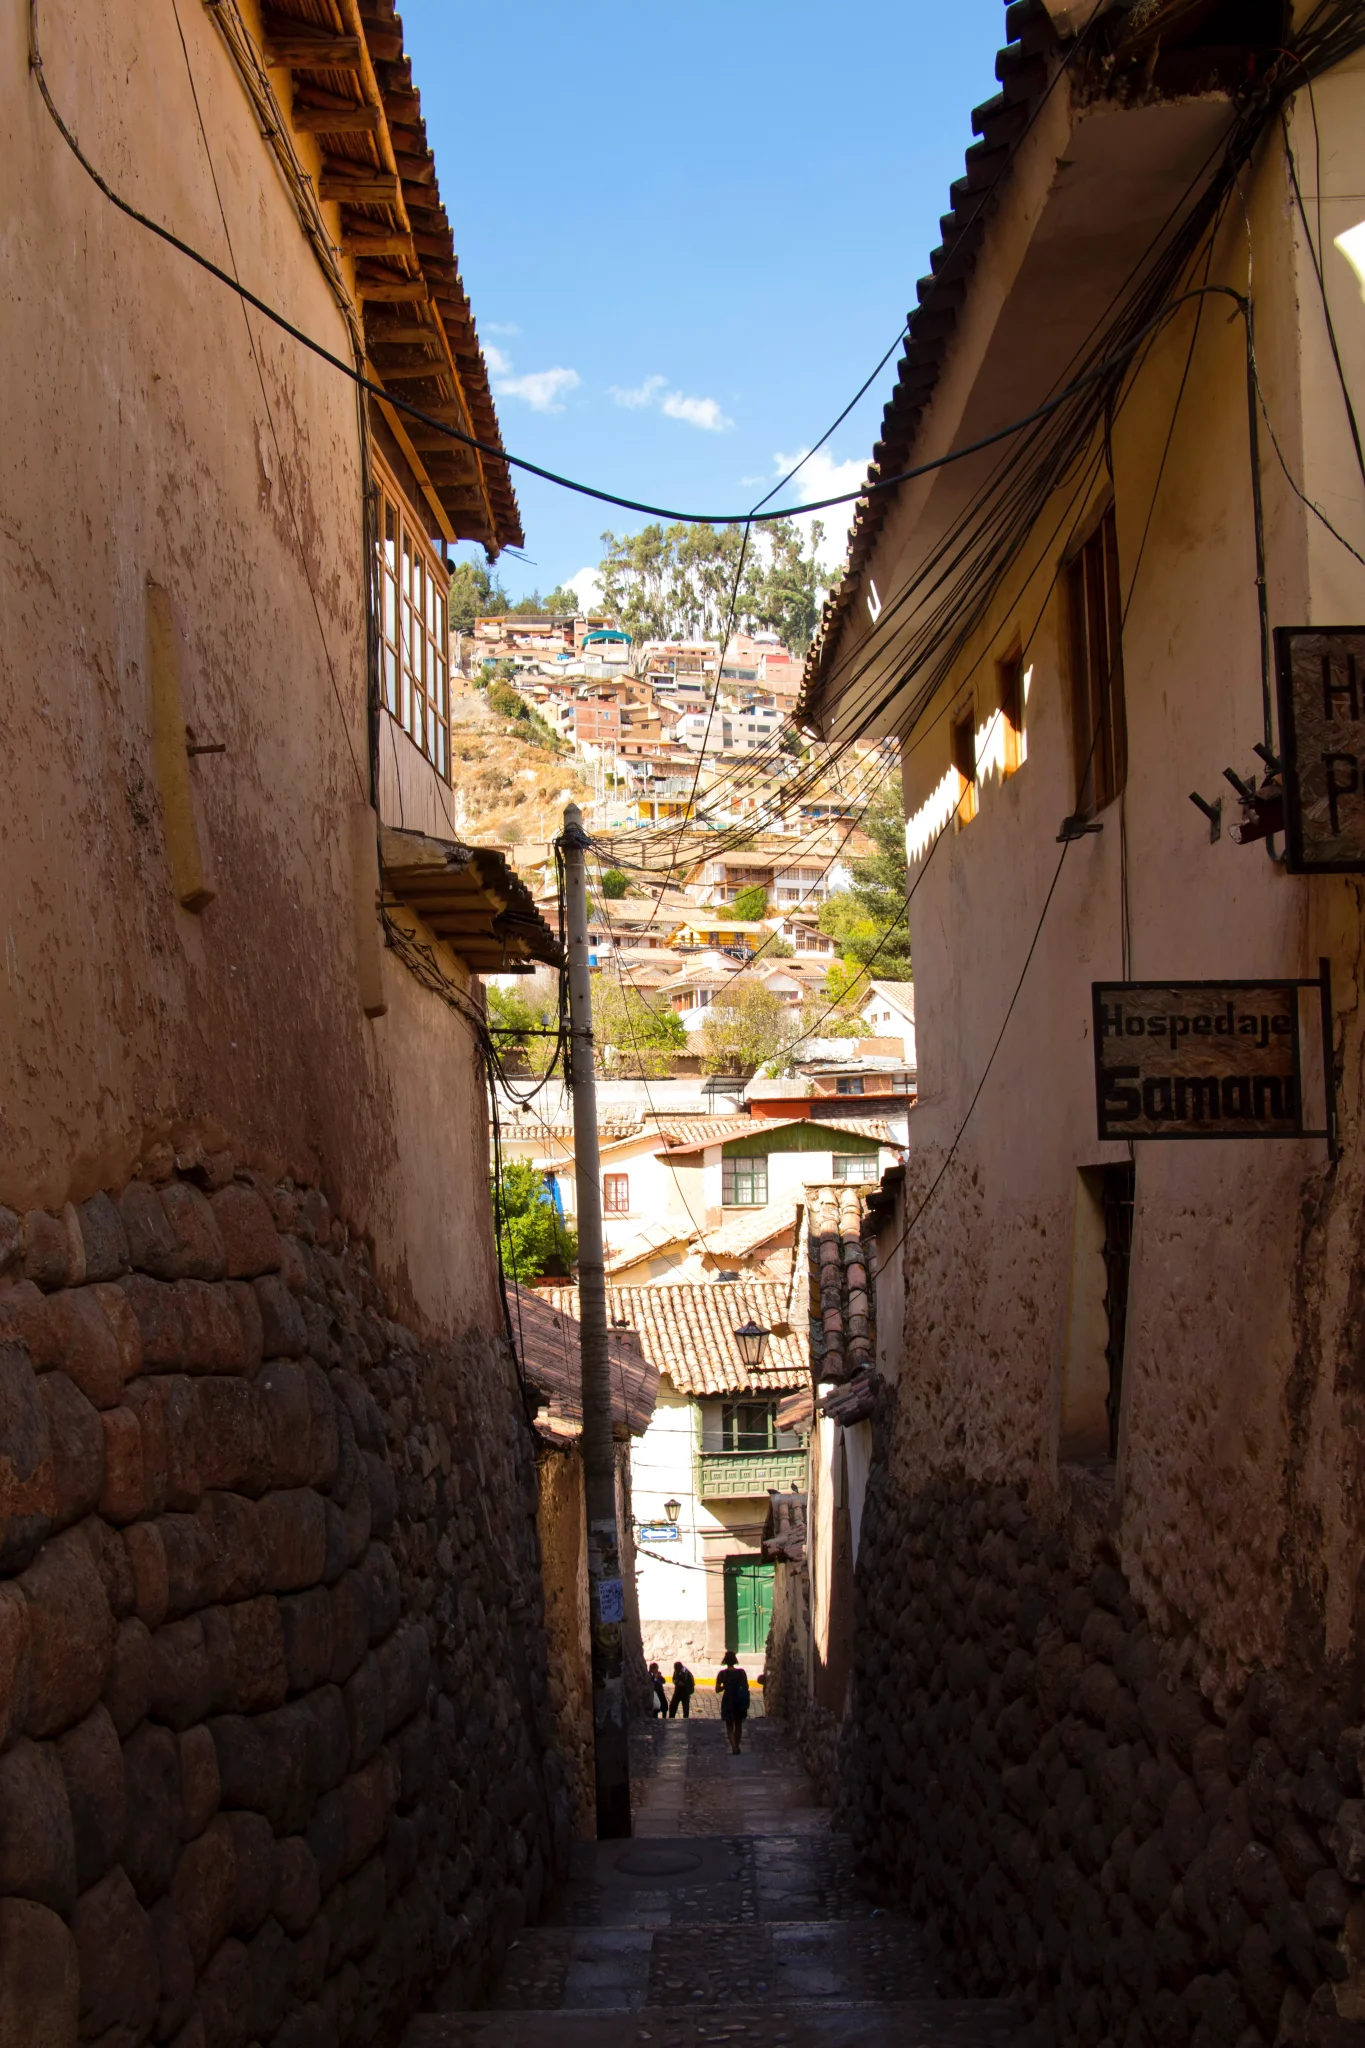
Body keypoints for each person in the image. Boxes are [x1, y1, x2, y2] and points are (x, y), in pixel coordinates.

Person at [715, 1649, 750, 1753]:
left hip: (728, 1700)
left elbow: (717, 1689)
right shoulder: (741, 1673)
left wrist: (725, 1686)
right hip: (739, 1700)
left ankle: (734, 1746)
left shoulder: (722, 1674)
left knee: (729, 1725)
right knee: (738, 1723)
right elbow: (746, 1686)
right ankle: (736, 1746)